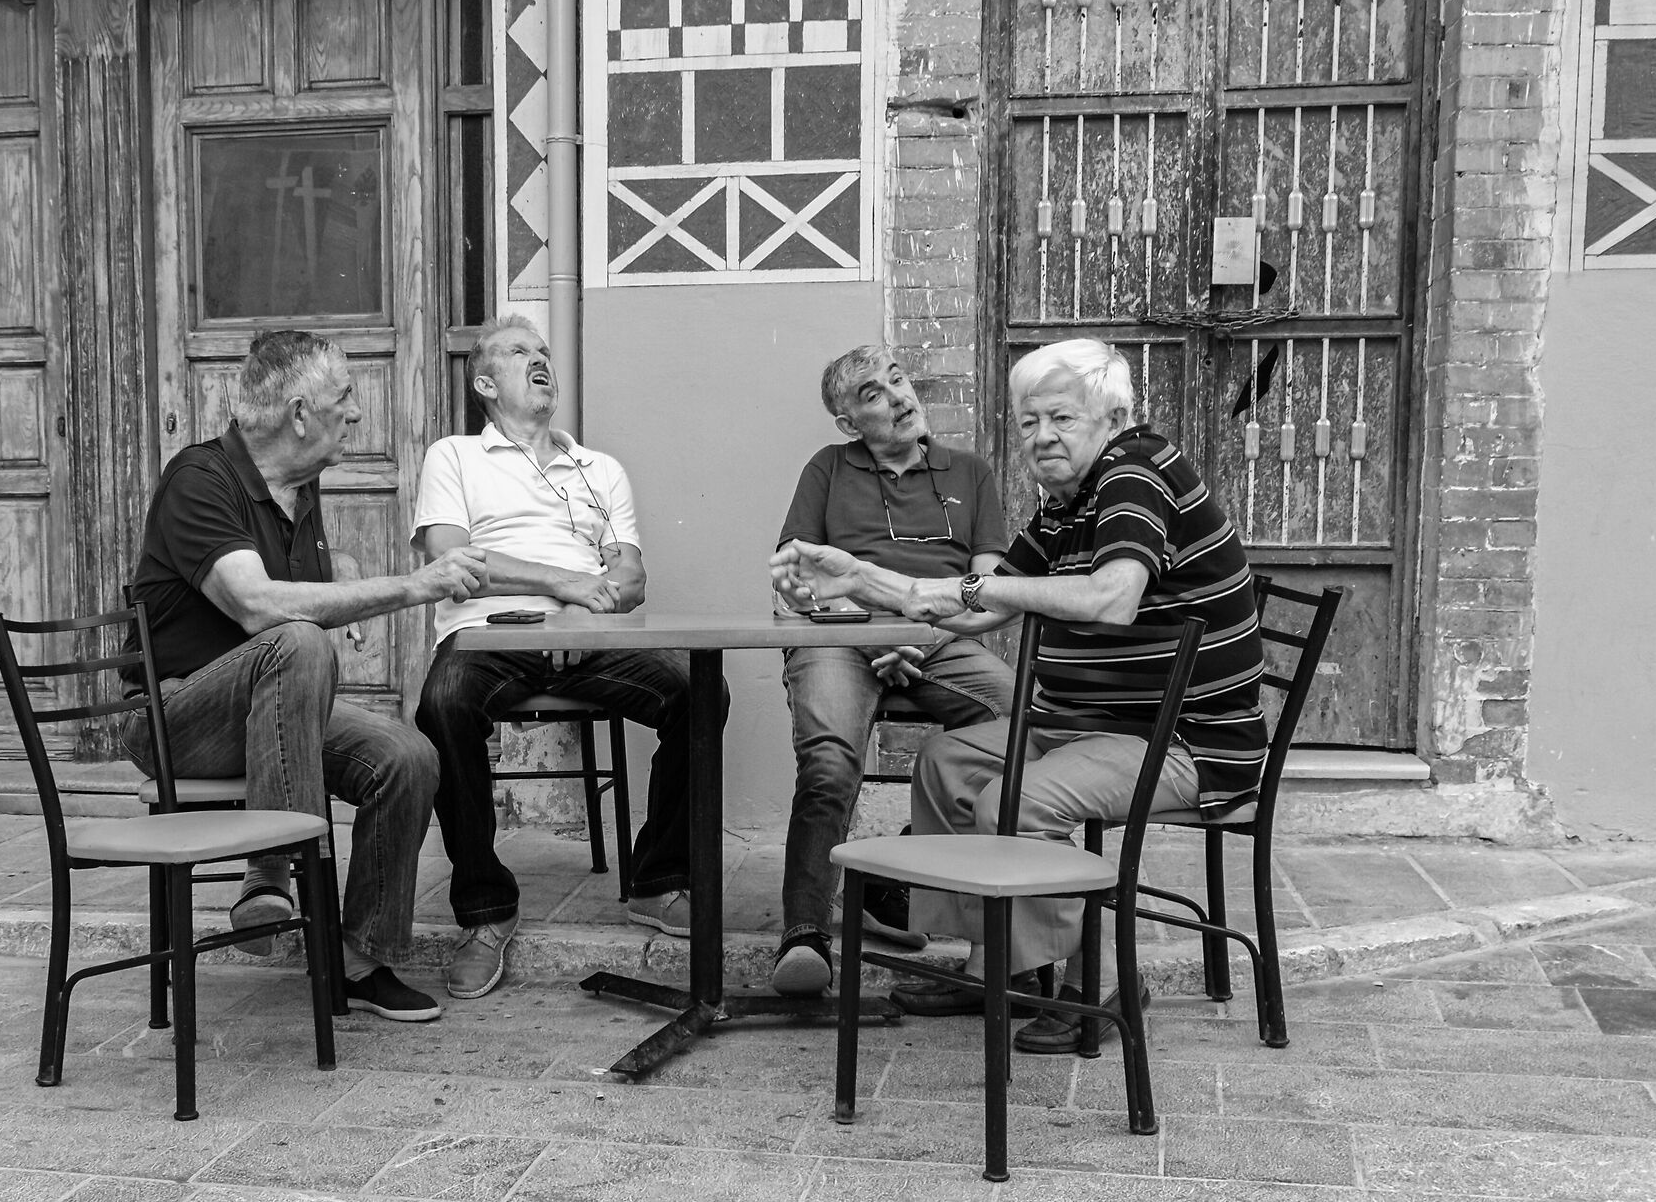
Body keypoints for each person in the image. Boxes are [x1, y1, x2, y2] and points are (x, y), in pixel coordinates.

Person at [770, 337, 1265, 1053]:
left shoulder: (1135, 474)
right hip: (1092, 724)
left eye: (1061, 418)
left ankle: (1097, 983)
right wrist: (863, 582)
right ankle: (995, 965)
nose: (1041, 437)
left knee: (1016, 800)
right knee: (945, 764)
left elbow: (1112, 597)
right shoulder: (1068, 503)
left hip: (1181, 740)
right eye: (1029, 422)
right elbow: (983, 607)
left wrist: (965, 589)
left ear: (1113, 418)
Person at [127, 329, 487, 1025]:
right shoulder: (199, 480)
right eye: (344, 397)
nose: (356, 412)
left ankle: (358, 960)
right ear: (299, 414)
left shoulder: (298, 488)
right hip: (177, 720)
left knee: (408, 758)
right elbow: (258, 604)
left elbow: (300, 577)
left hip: (274, 714)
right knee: (295, 640)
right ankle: (269, 873)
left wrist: (341, 571)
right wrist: (413, 586)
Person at [413, 316, 719, 1000]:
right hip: (488, 631)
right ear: (485, 383)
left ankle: (659, 879)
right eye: (519, 351)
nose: (540, 359)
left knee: (700, 689)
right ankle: (485, 911)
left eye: (544, 351)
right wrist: (566, 585)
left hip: (588, 633)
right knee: (443, 703)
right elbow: (450, 558)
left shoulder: (597, 469)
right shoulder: (454, 456)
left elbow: (632, 578)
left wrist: (582, 612)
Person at [766, 346, 1016, 998]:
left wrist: (917, 631)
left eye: (897, 380)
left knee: (1020, 721)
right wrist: (869, 623)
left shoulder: (970, 472)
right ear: (849, 422)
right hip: (840, 633)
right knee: (828, 761)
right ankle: (805, 933)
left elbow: (990, 590)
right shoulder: (826, 468)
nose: (898, 397)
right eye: (873, 393)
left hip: (937, 634)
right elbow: (798, 576)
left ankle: (890, 877)